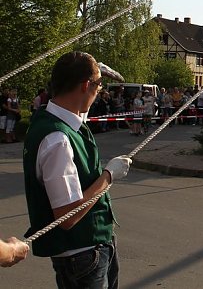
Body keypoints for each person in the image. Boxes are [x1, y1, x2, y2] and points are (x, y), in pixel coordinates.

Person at [23, 51, 132, 288]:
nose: (100, 90)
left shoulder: (51, 116)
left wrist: (94, 71)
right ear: (85, 85)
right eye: (98, 85)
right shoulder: (58, 140)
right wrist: (109, 176)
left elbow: (78, 112)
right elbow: (67, 216)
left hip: (90, 250)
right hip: (81, 255)